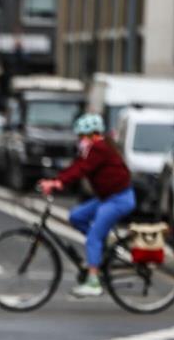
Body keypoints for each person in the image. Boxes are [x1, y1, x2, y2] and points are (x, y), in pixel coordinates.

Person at [39, 113, 135, 298]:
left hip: (119, 199)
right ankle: (102, 249)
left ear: (93, 134)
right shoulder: (92, 148)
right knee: (76, 217)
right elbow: (77, 165)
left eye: (82, 136)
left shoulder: (99, 148)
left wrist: (58, 183)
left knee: (92, 238)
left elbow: (82, 169)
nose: (80, 140)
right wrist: (56, 180)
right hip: (107, 198)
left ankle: (93, 282)